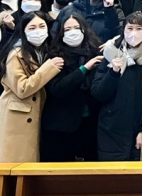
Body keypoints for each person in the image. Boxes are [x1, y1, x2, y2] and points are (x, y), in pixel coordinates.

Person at [0, 12, 64, 162]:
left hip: (37, 114)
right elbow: (22, 89)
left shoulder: (45, 51)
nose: (38, 31)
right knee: (14, 163)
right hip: (17, 117)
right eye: (32, 28)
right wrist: (49, 68)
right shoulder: (16, 54)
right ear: (23, 31)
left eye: (42, 26)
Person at [91, 12, 142, 161]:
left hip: (139, 130)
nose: (133, 33)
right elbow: (98, 93)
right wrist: (113, 73)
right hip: (111, 130)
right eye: (130, 28)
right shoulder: (111, 53)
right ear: (123, 30)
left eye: (139, 28)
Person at [41, 12, 104, 162]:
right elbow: (57, 89)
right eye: (67, 29)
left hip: (90, 122)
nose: (73, 32)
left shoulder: (95, 52)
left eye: (76, 27)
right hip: (60, 124)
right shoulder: (54, 55)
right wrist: (84, 68)